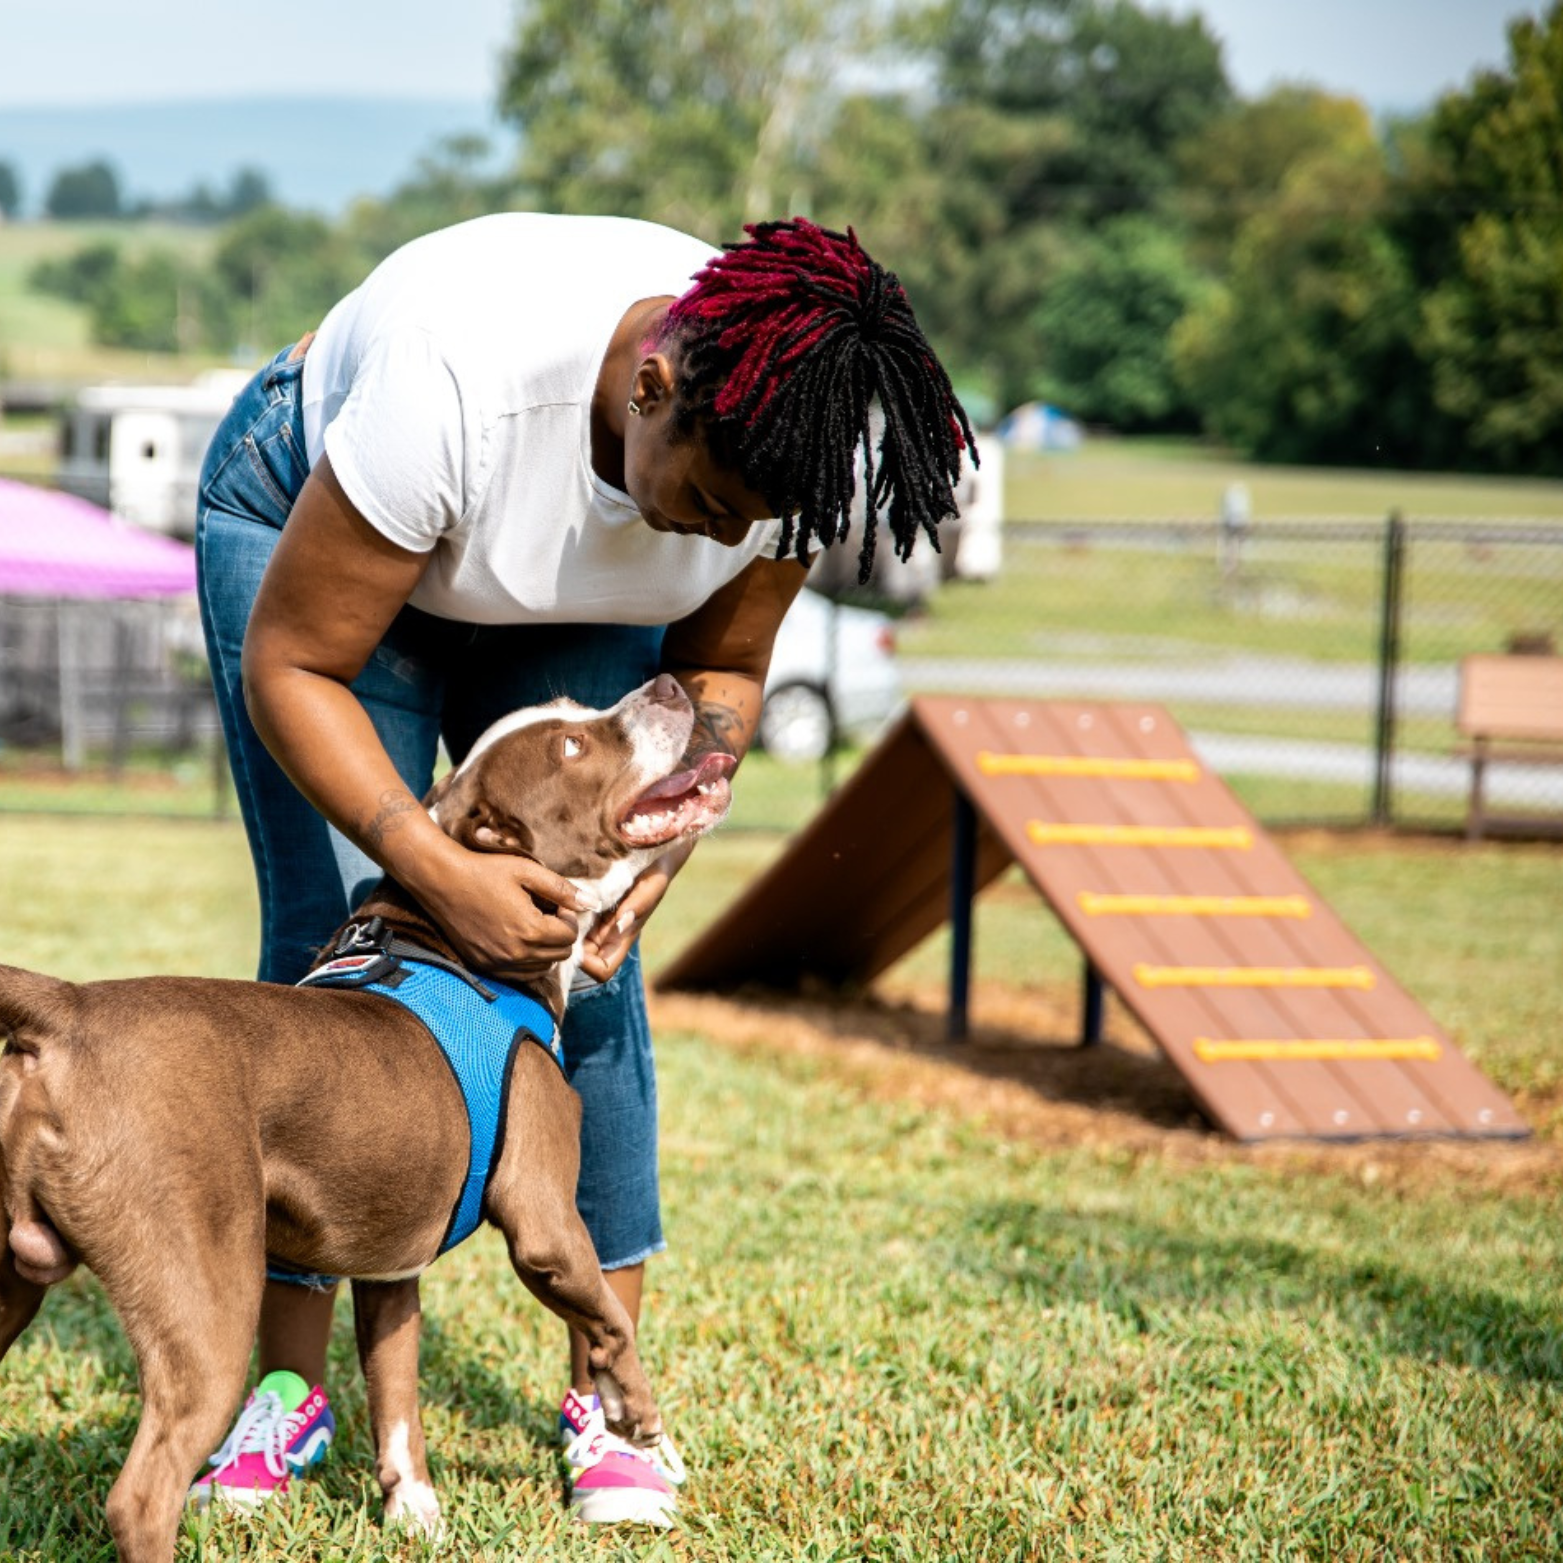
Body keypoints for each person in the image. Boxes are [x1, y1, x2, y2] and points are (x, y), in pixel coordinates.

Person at [190, 212, 974, 1525]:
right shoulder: (461, 383)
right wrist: (430, 861)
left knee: (586, 974)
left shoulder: (783, 444)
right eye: (709, 503)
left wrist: (684, 809)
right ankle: (288, 1385)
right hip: (318, 512)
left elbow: (720, 667)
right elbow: (295, 664)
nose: (720, 533)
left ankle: (607, 1399)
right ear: (651, 384)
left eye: (749, 521)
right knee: (327, 950)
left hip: (551, 583)